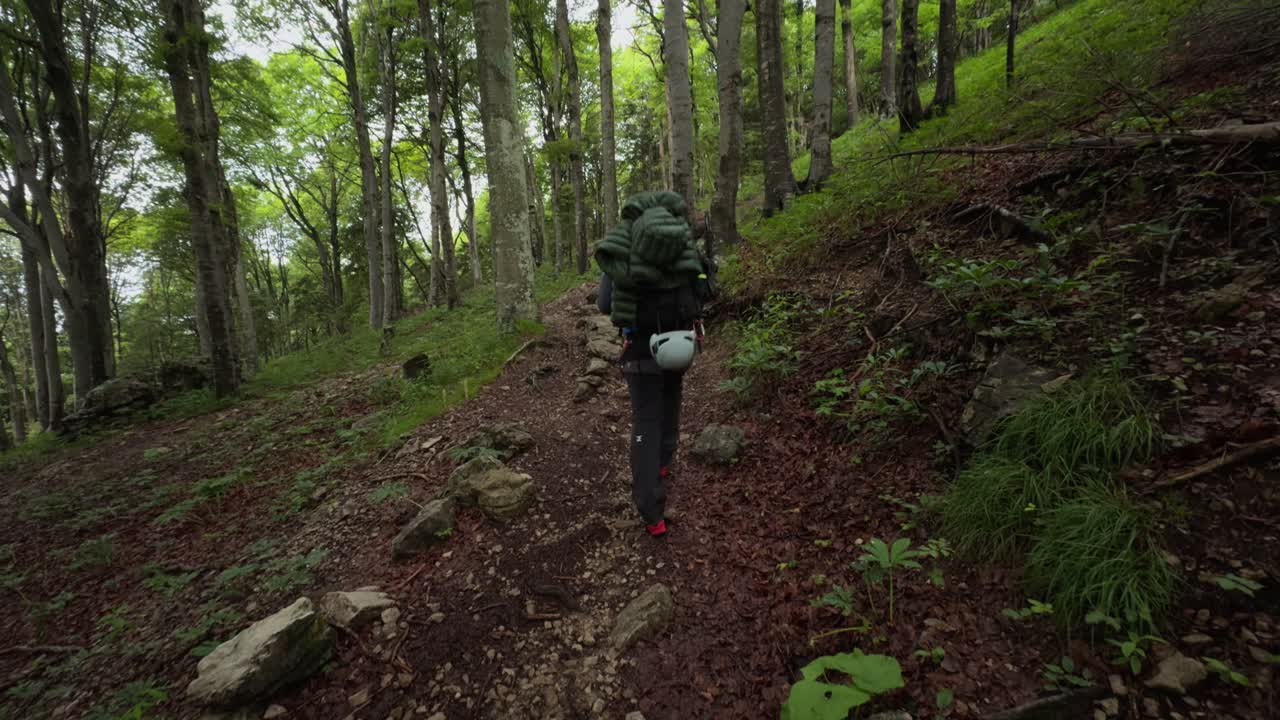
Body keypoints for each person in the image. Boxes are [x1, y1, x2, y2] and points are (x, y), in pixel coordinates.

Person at [595, 191, 713, 537]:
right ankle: (663, 462)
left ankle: (651, 511)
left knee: (646, 419)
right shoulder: (683, 244)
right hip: (680, 343)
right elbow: (703, 291)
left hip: (640, 349)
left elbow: (605, 304)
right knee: (672, 399)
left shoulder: (624, 248)